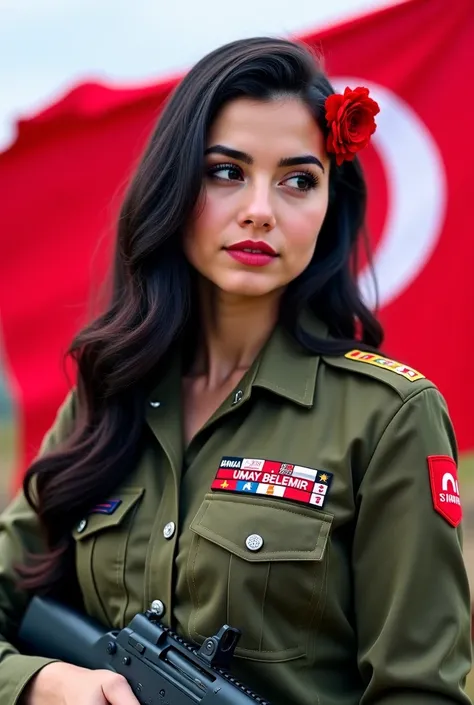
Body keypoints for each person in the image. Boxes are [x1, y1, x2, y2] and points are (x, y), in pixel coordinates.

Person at [0, 36, 471, 705]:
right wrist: (44, 681)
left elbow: (420, 690)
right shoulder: (110, 395)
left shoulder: (388, 415)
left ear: (328, 208)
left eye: (298, 180)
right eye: (227, 171)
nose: (260, 209)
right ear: (176, 185)